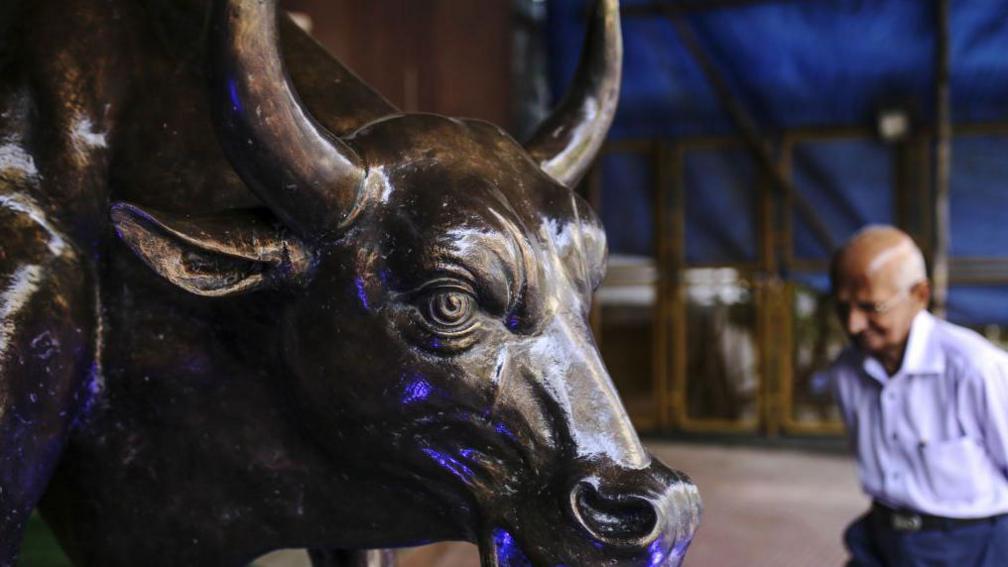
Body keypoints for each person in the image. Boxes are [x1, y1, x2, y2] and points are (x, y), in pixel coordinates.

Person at [826, 225, 1008, 566]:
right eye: (843, 307)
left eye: (871, 307)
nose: (853, 324)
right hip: (882, 537)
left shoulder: (975, 368)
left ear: (920, 294)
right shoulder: (845, 372)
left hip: (973, 547)